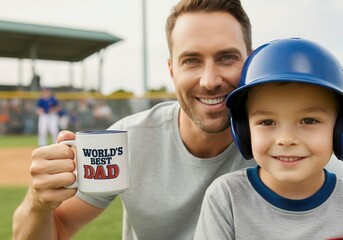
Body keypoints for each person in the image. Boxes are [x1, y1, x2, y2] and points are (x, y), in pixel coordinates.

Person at [11, 1, 343, 239]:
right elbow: (59, 229)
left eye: (227, 57)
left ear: (251, 63)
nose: (210, 79)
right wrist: (38, 203)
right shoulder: (127, 141)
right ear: (172, 69)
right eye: (192, 60)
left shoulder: (311, 160)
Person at [194, 38, 343, 239]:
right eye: (267, 122)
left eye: (308, 120)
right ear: (244, 130)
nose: (286, 139)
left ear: (339, 128)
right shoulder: (226, 197)